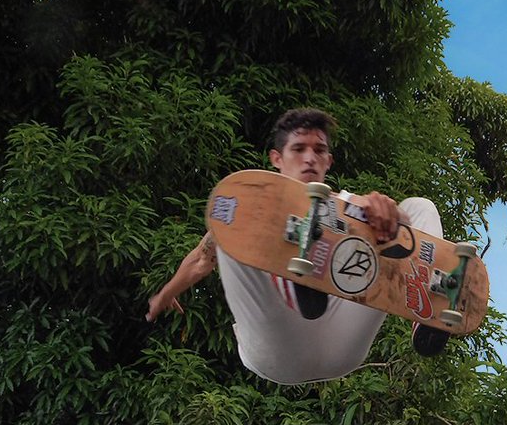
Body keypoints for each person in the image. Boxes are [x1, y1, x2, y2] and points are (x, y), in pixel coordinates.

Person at [146, 108, 448, 385]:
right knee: (238, 216)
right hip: (276, 349)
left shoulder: (348, 204)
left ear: (328, 161)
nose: (309, 158)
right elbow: (203, 258)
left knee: (418, 207)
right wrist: (165, 294)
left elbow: (399, 224)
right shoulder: (253, 210)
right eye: (299, 149)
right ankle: (296, 272)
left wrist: (388, 211)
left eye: (319, 151)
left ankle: (430, 310)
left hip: (340, 345)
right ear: (277, 158)